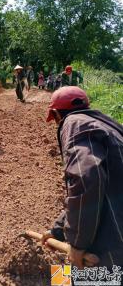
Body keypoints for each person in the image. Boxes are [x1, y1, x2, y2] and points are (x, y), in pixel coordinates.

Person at [42, 86, 123, 269]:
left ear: (55, 114)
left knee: (83, 277)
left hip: (114, 241)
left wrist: (78, 243)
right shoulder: (108, 125)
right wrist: (58, 230)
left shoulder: (73, 124)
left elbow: (87, 179)